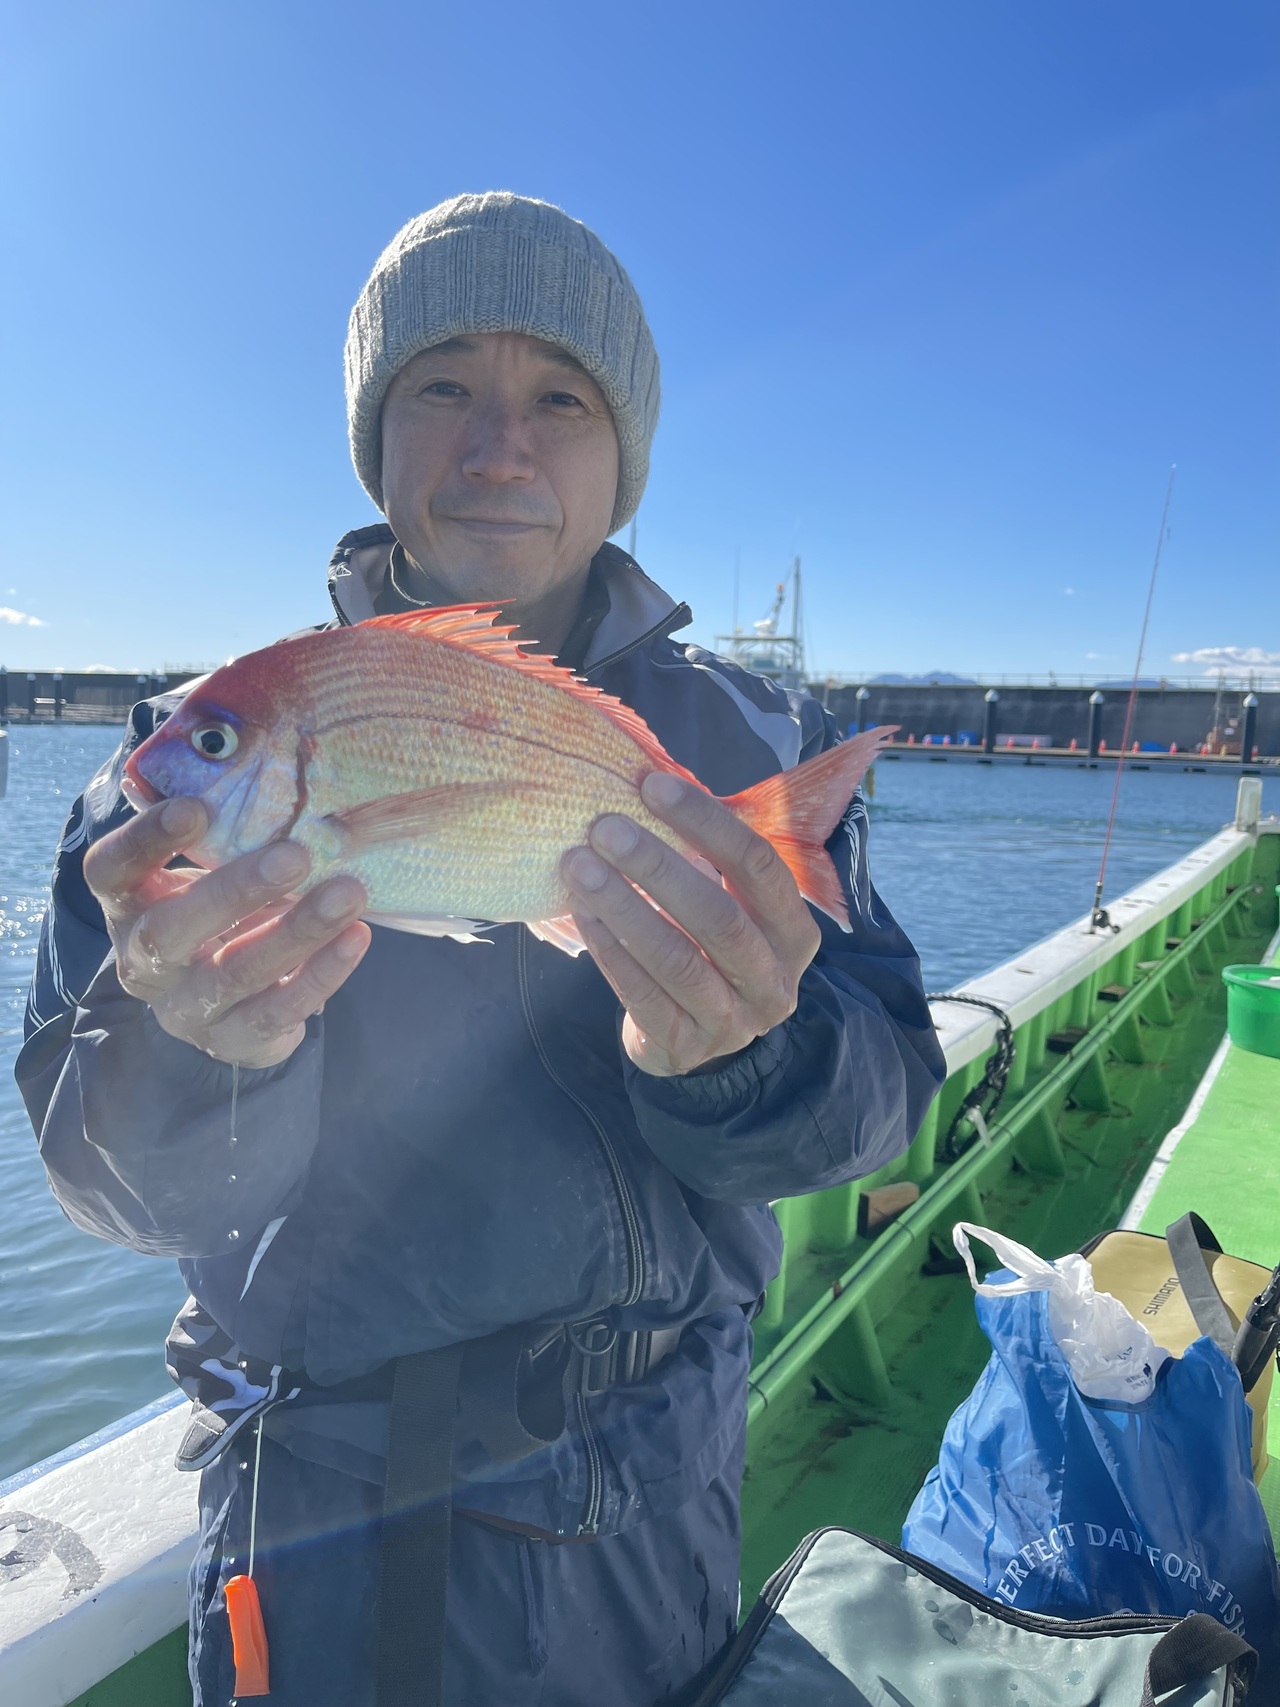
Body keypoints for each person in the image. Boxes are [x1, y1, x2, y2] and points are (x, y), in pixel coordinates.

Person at [18, 193, 945, 1706]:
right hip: (308, 1522)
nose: (500, 448)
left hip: (651, 1497)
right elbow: (111, 1187)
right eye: (443, 384)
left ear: (624, 456)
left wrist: (742, 1058)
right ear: (375, 439)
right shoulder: (176, 772)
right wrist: (193, 1057)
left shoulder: (756, 742)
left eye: (561, 399)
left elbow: (882, 1107)